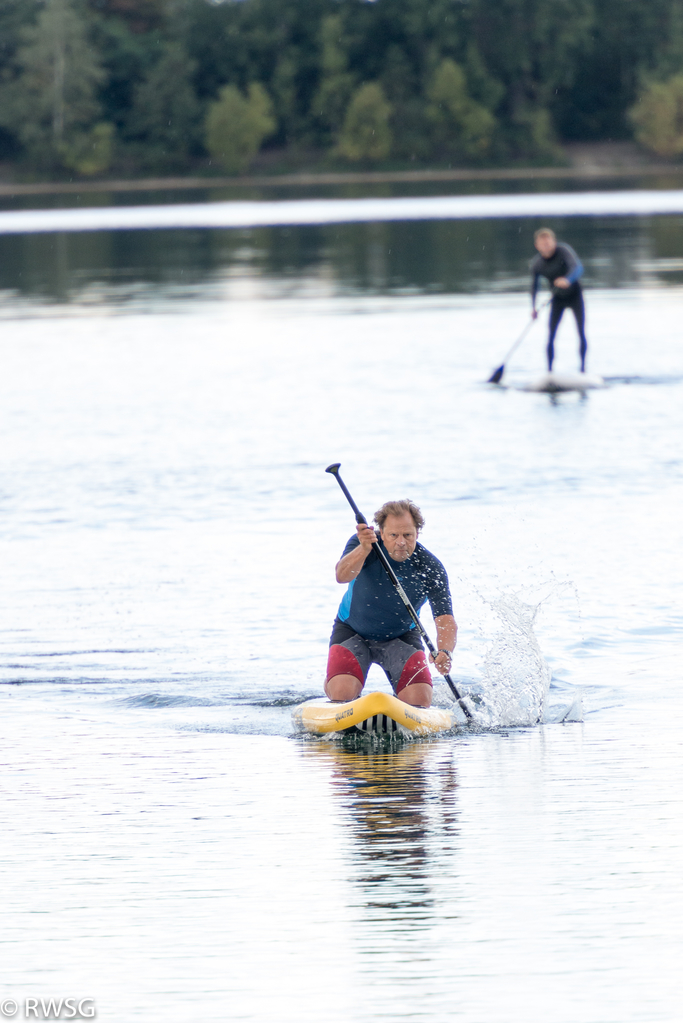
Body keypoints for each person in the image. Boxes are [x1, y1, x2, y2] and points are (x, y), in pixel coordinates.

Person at [325, 499, 457, 709]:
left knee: (420, 702)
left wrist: (445, 651)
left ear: (417, 534)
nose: (401, 542)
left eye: (408, 535)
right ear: (382, 533)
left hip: (402, 636)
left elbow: (445, 619)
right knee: (342, 694)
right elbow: (342, 576)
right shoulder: (363, 544)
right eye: (394, 535)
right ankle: (337, 683)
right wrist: (364, 549)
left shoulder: (430, 567)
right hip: (352, 631)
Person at [531, 227, 588, 373]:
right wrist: (533, 308)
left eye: (549, 243)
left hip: (575, 295)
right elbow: (534, 288)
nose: (546, 246)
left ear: (554, 242)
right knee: (550, 336)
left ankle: (582, 370)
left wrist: (567, 279)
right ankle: (549, 372)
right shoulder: (537, 264)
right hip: (557, 299)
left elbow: (578, 268)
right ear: (537, 246)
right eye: (543, 244)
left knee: (580, 332)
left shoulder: (563, 251)